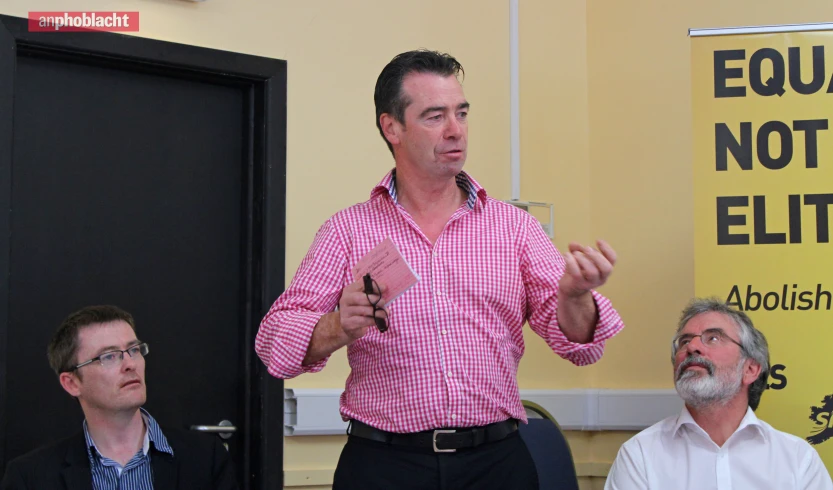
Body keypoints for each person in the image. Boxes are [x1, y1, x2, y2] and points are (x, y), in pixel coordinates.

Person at [255, 49, 625, 490]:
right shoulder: (347, 231)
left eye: (461, 113)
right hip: (384, 467)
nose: (456, 131)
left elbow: (581, 347)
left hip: (496, 464)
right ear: (391, 127)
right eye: (435, 116)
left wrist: (575, 295)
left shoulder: (515, 230)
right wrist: (338, 326)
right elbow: (274, 343)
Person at [0, 305, 238, 490]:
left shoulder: (206, 459)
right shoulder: (31, 477)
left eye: (134, 350)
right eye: (109, 356)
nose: (130, 364)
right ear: (71, 383)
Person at [605, 298, 833, 490]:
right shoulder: (640, 454)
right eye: (684, 341)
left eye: (713, 338)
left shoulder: (797, 459)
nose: (692, 347)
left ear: (750, 369)